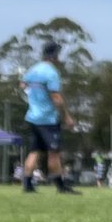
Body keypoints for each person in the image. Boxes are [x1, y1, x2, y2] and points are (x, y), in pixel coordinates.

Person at [18, 39, 76, 194]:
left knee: (34, 151)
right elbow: (56, 97)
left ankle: (28, 185)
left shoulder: (33, 69)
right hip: (47, 119)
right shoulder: (51, 73)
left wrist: (32, 97)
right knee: (53, 152)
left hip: (32, 117)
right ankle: (61, 186)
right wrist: (66, 116)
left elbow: (23, 85)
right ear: (55, 55)